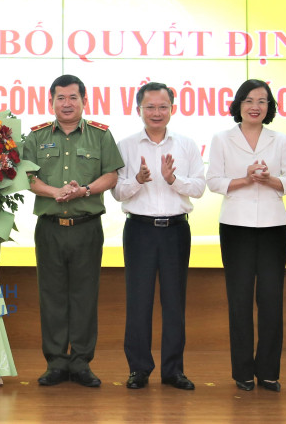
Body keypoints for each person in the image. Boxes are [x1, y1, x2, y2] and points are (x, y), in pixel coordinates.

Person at [20, 74, 124, 387]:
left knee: (84, 296)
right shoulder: (36, 137)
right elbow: (26, 177)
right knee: (51, 297)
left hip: (87, 227)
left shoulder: (100, 135)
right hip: (50, 227)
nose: (67, 103)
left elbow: (111, 175)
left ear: (84, 101)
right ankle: (55, 363)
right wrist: (55, 192)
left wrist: (85, 190)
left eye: (73, 98)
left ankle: (81, 363)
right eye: (61, 98)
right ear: (51, 101)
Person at [206, 79, 286, 393]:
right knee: (240, 300)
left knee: (271, 300)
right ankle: (243, 373)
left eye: (262, 101)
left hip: (274, 226)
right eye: (248, 100)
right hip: (236, 226)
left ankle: (269, 372)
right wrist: (245, 179)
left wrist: (270, 179)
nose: (255, 106)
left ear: (269, 107)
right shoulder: (222, 138)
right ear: (238, 105)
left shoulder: (280, 139)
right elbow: (214, 182)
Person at [111, 82, 205, 391]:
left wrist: (172, 179)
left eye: (162, 107)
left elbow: (199, 188)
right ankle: (139, 369)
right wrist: (138, 180)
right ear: (138, 109)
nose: (156, 112)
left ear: (172, 109)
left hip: (176, 230)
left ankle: (173, 371)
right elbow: (117, 192)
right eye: (149, 107)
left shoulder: (187, 145)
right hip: (139, 230)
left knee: (174, 303)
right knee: (138, 303)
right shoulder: (125, 145)